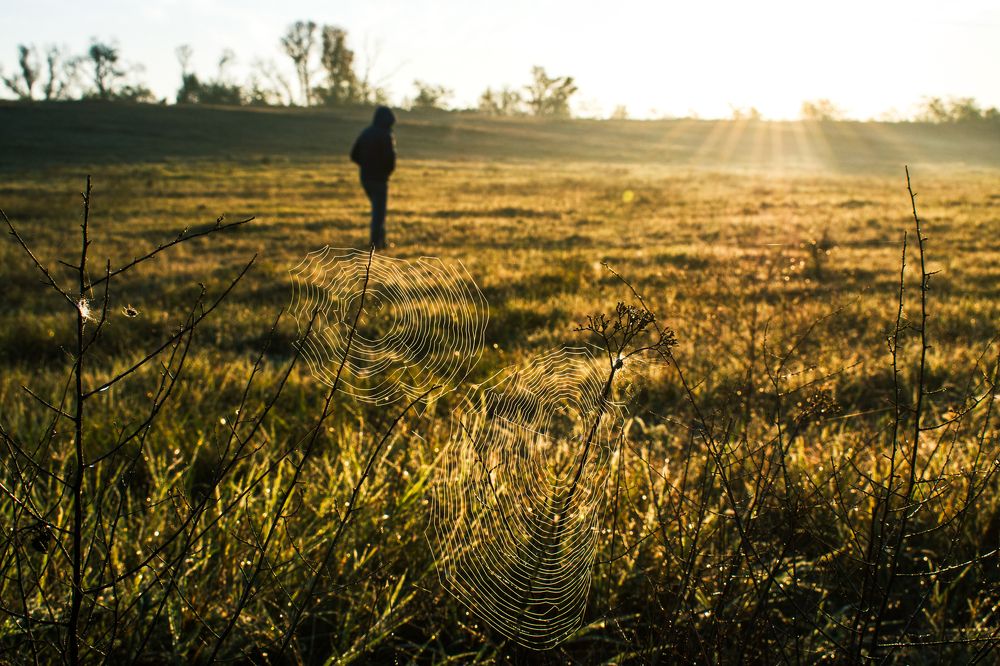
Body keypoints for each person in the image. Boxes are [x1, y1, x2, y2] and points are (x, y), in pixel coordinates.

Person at [350, 106, 397, 250]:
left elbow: (353, 155)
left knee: (377, 210)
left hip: (365, 178)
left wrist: (365, 166)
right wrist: (386, 172)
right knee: (379, 213)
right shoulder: (386, 135)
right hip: (380, 179)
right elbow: (391, 159)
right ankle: (376, 243)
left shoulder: (366, 133)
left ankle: (381, 241)